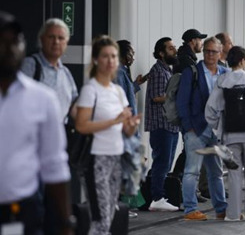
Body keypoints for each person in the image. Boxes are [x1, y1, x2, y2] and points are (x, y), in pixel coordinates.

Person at [0, 12, 74, 235]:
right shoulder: (33, 67)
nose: (10, 49)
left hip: (22, 205)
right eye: (2, 42)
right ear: (41, 41)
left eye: (15, 41)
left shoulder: (42, 97)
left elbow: (55, 164)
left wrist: (65, 222)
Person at [75, 36, 141, 235]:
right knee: (101, 219)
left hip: (116, 157)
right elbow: (82, 125)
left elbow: (124, 130)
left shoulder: (118, 91)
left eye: (114, 56)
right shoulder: (90, 90)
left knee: (109, 216)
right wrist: (114, 121)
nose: (111, 61)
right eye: (105, 56)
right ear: (96, 59)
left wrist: (130, 124)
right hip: (96, 159)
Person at [205, 46, 245, 221]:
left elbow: (211, 109)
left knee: (233, 175)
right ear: (242, 61)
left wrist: (217, 128)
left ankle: (233, 214)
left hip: (230, 136)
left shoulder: (222, 80)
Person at [177, 37, 228, 220]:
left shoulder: (225, 73)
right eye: (207, 51)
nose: (210, 55)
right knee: (192, 171)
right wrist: (188, 127)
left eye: (214, 52)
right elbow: (182, 102)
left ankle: (221, 208)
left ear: (220, 53)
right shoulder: (192, 72)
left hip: (217, 131)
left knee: (216, 172)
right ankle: (190, 209)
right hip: (196, 130)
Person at [144, 37, 181, 212]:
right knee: (162, 162)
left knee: (165, 164)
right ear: (161, 52)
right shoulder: (159, 71)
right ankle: (157, 197)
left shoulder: (168, 70)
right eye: (171, 48)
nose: (175, 51)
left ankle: (159, 196)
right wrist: (179, 94)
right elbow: (157, 97)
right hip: (161, 125)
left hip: (170, 125)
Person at [114, 40, 148, 218]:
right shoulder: (119, 72)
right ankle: (119, 207)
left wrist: (135, 84)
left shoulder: (121, 72)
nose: (133, 57)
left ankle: (120, 206)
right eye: (131, 53)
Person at [21, 18, 78, 120]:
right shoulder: (30, 65)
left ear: (66, 43)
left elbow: (74, 107)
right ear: (42, 39)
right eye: (51, 37)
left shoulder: (65, 73)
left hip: (59, 131)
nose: (56, 42)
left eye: (61, 38)